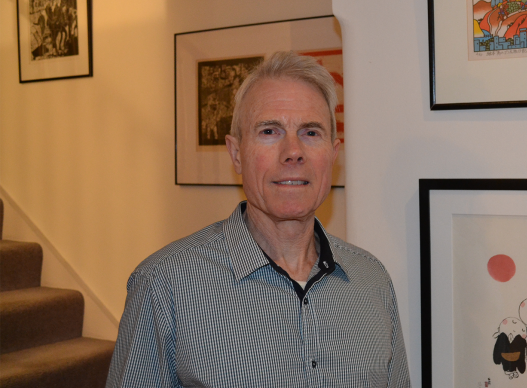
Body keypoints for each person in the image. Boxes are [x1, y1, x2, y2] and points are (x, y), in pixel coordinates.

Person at [106, 51, 411, 387]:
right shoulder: (164, 287)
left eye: (311, 133)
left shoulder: (372, 281)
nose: (293, 151)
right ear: (237, 154)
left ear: (333, 154)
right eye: (270, 131)